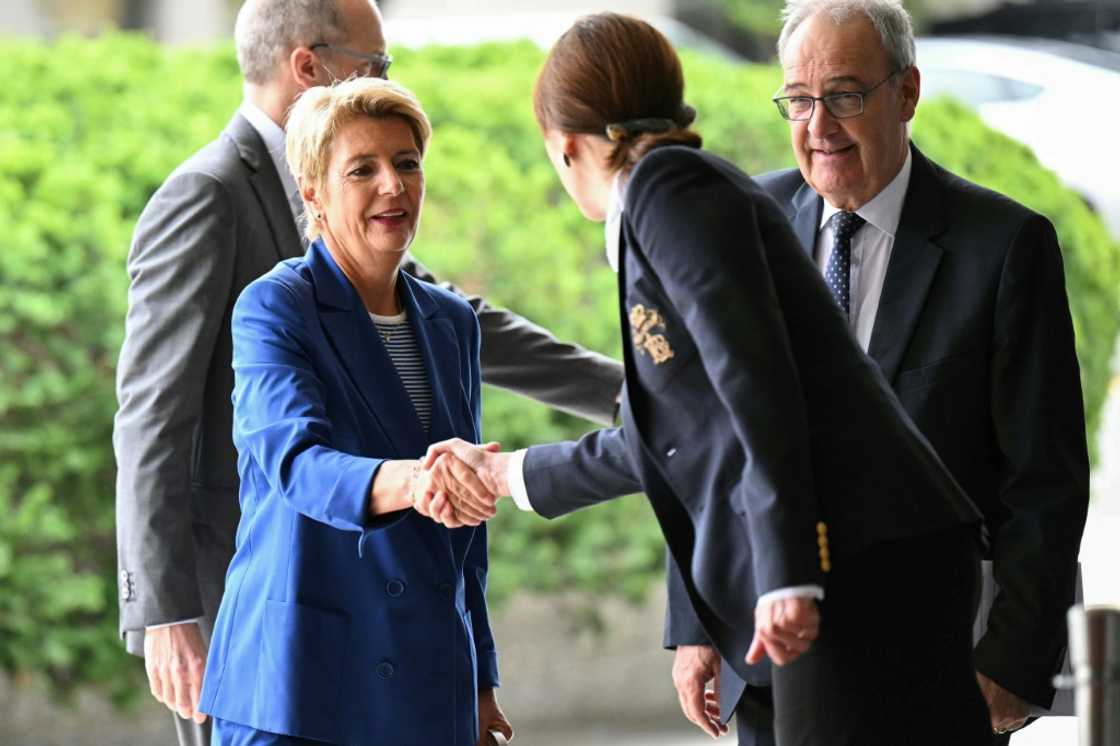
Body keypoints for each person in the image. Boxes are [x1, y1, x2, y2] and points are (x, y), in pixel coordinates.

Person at [422, 12, 992, 745]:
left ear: (564, 147)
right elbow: (676, 434)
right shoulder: (673, 195)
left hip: (863, 560)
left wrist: (787, 573)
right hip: (857, 556)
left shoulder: (667, 187)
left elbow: (755, 377)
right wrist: (504, 476)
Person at [113, 1, 622, 744]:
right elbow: (156, 415)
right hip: (261, 604)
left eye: (407, 165)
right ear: (309, 66)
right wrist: (164, 610)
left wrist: (636, 394)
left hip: (406, 640)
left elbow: (470, 346)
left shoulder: (435, 313)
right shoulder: (209, 196)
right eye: (376, 63)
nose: (392, 185)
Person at [667, 2, 1089, 743]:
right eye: (799, 99)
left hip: (934, 675)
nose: (819, 125)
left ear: (908, 93)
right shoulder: (745, 224)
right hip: (769, 662)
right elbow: (703, 441)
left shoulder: (1004, 247)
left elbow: (1045, 484)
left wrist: (1016, 662)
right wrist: (694, 622)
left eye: (846, 95)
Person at [195, 76, 511, 746]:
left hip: (430, 683)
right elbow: (295, 462)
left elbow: (467, 536)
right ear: (312, 190)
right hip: (299, 680)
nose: (392, 187)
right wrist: (421, 482)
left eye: (406, 164)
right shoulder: (274, 306)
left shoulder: (452, 321)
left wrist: (479, 681)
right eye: (362, 169)